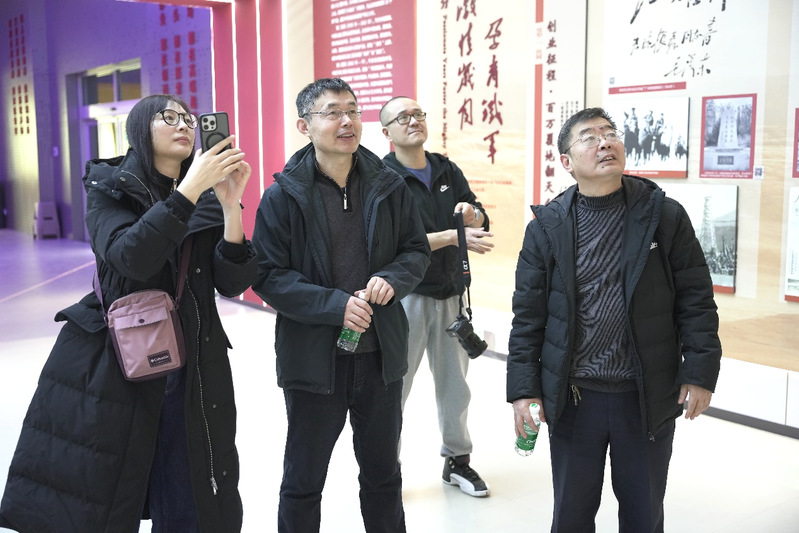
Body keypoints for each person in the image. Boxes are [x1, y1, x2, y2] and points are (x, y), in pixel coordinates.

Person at [0, 94, 258, 532]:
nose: (184, 125)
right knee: (108, 486)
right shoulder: (108, 185)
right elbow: (129, 257)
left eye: (189, 118)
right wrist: (189, 192)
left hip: (192, 361)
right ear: (140, 127)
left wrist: (231, 208)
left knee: (191, 486)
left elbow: (231, 282)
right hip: (121, 357)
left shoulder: (206, 195)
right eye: (169, 117)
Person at [506, 107, 722, 532]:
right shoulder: (547, 227)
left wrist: (699, 372)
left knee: (643, 513)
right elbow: (528, 316)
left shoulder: (664, 216)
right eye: (589, 137)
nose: (605, 142)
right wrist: (524, 389)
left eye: (610, 133)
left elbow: (696, 300)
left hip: (644, 395)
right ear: (566, 162)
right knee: (571, 514)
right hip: (573, 397)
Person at [251, 78, 430, 533]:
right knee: (304, 481)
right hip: (315, 361)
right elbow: (267, 276)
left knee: (383, 477)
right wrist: (335, 306)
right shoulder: (282, 196)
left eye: (352, 110)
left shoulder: (389, 186)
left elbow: (415, 251)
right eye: (332, 112)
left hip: (381, 357)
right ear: (305, 126)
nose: (347, 120)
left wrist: (393, 278)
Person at [380, 96, 494, 498]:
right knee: (395, 388)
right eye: (403, 117)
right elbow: (389, 243)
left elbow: (479, 215)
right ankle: (385, 469)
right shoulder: (382, 177)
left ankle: (457, 461)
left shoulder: (446, 168)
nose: (413, 121)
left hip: (451, 295)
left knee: (455, 387)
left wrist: (474, 215)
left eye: (418, 114)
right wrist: (451, 236)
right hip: (404, 297)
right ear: (387, 132)